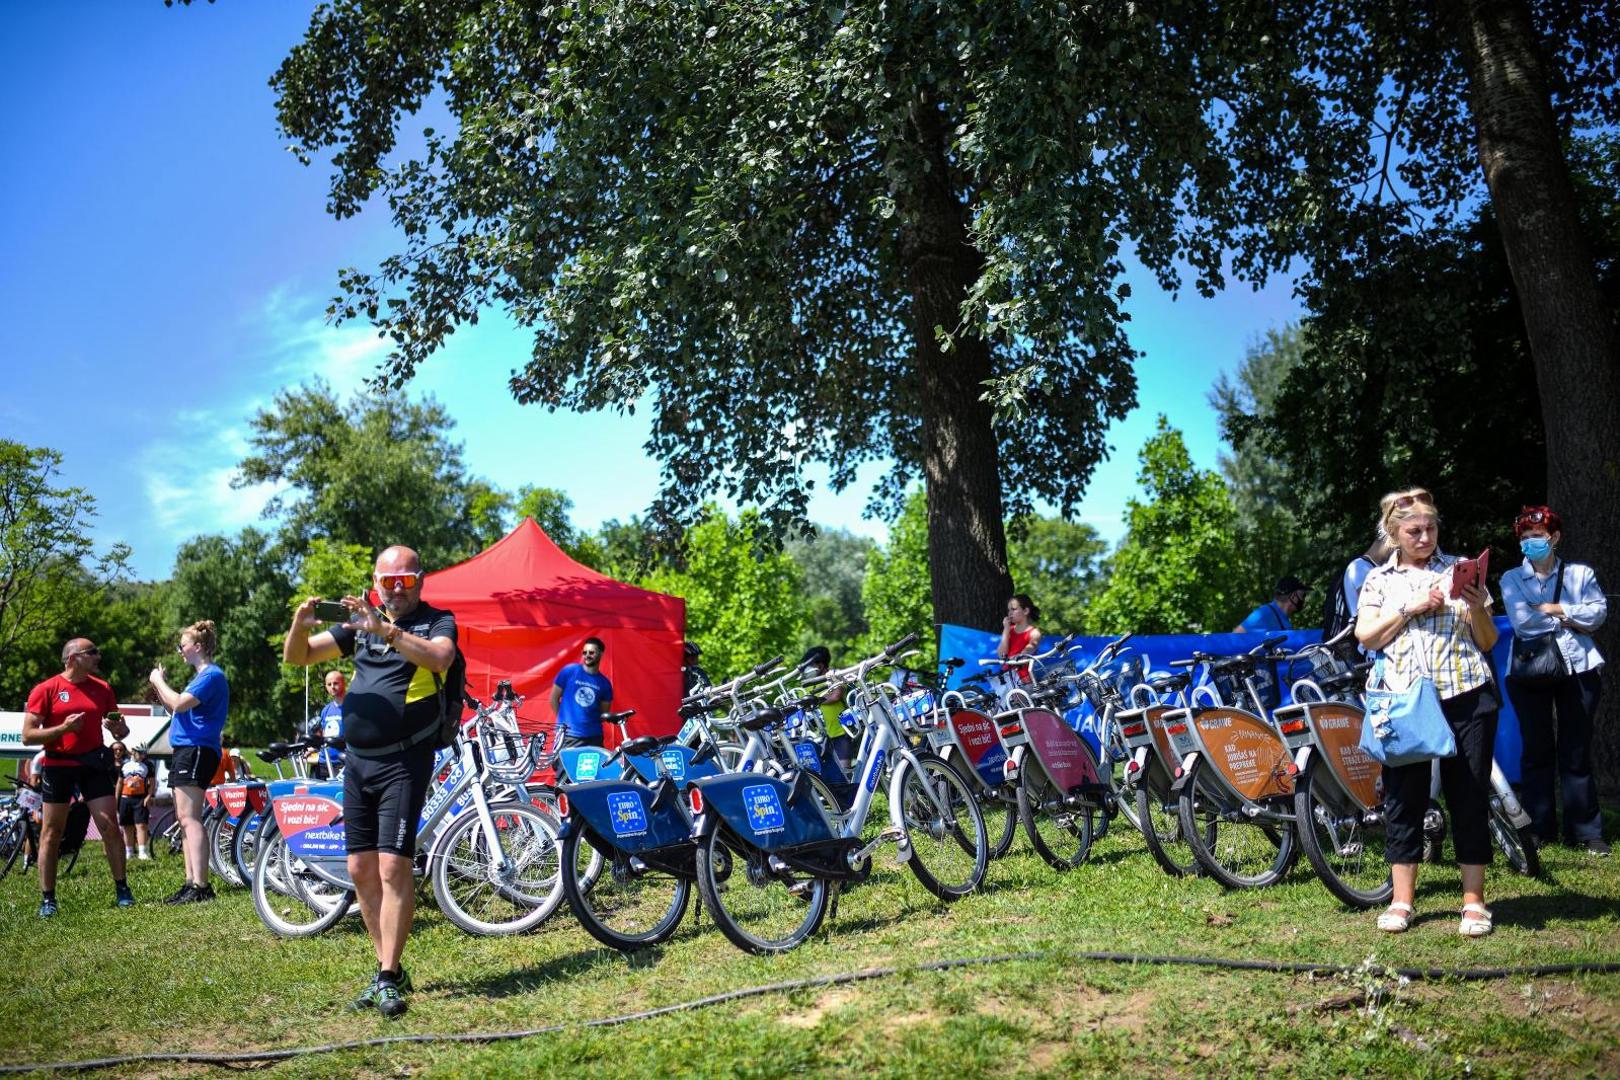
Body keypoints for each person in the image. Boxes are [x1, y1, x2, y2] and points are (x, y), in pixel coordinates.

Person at [283, 545, 458, 1020]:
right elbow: (299, 656)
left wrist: (387, 631)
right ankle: (389, 969)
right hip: (358, 763)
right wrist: (301, 623)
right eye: (388, 581)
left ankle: (386, 974)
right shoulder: (358, 623)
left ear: (420, 580)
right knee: (360, 868)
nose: (396, 589)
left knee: (392, 868)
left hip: (405, 759)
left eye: (405, 580)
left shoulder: (436, 621)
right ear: (375, 583)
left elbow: (440, 659)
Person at [1356, 493, 1501, 937]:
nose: (1424, 537)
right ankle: (1402, 902)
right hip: (1405, 701)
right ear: (1394, 533)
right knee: (1404, 798)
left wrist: (1475, 605)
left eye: (1430, 528)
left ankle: (1473, 903)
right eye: (1413, 531)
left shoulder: (1460, 568)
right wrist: (1410, 607)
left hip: (1466, 693)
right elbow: (1367, 636)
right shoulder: (1379, 580)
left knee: (1469, 796)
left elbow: (1488, 641)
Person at [1500, 504, 1609, 856]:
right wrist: (1573, 618)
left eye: (1538, 536)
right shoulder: (1511, 579)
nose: (1531, 542)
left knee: (1576, 751)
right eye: (1525, 537)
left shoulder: (1580, 574)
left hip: (1580, 669)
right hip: (1528, 670)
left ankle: (1586, 831)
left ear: (1555, 537)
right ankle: (1538, 828)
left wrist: (1555, 609)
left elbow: (1598, 614)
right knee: (1536, 750)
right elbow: (1523, 624)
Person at [21, 637, 133, 916]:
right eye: (92, 652)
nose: (98, 656)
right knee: (52, 832)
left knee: (110, 826)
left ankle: (122, 889)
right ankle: (48, 899)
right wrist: (63, 729)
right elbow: (28, 736)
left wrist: (118, 728)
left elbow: (122, 732)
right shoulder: (46, 689)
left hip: (94, 763)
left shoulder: (103, 688)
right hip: (58, 765)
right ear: (72, 658)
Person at [148, 619, 231, 905]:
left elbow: (179, 703)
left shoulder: (212, 676)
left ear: (197, 646)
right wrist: (160, 689)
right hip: (186, 749)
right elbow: (177, 708)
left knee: (190, 818)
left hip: (197, 749)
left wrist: (157, 680)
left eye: (182, 646)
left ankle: (201, 886)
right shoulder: (200, 678)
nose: (180, 650)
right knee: (184, 819)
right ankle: (190, 882)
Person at [549, 637, 614, 751]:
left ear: (601, 654)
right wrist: (564, 720)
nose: (587, 655)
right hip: (568, 736)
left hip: (594, 738)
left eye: (591, 652)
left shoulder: (605, 683)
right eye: (585, 652)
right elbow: (553, 699)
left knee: (597, 764)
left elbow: (604, 714)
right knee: (563, 763)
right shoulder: (569, 671)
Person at [117, 743, 156, 861]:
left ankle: (142, 852)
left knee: (141, 825)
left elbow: (152, 782)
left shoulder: (148, 764)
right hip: (125, 798)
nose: (143, 755)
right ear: (133, 751)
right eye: (141, 753)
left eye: (144, 753)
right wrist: (117, 800)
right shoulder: (124, 764)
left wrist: (149, 796)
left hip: (140, 798)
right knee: (127, 826)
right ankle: (129, 852)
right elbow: (119, 783)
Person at [307, 670, 348, 779]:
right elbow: (325, 736)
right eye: (329, 684)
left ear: (344, 683)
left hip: (342, 763)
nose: (332, 687)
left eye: (335, 683)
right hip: (324, 762)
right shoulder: (326, 710)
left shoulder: (352, 707)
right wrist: (314, 748)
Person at [1235, 576, 1309, 633]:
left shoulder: (1282, 617)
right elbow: (1234, 638)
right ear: (1293, 596)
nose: (1303, 600)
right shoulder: (1264, 613)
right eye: (1302, 595)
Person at [996, 595, 1044, 682]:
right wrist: (1006, 629)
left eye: (1013, 609)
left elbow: (1028, 651)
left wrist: (1017, 657)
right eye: (1009, 610)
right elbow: (1001, 655)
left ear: (1026, 611)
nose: (1010, 613)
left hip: (1024, 679)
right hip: (1007, 676)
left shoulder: (1034, 632)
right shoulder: (1009, 630)